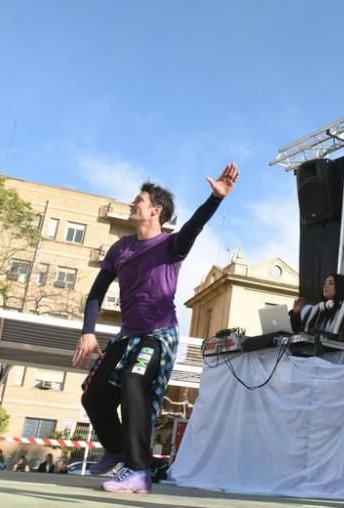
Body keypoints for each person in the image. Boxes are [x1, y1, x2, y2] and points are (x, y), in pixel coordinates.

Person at [73, 163, 240, 494]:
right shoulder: (120, 248)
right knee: (93, 397)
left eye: (139, 200)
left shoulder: (171, 245)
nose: (133, 204)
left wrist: (215, 199)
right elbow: (96, 292)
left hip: (158, 335)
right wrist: (88, 330)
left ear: (156, 210)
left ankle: (138, 470)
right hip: (126, 336)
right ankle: (120, 449)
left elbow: (195, 226)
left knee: (135, 382)